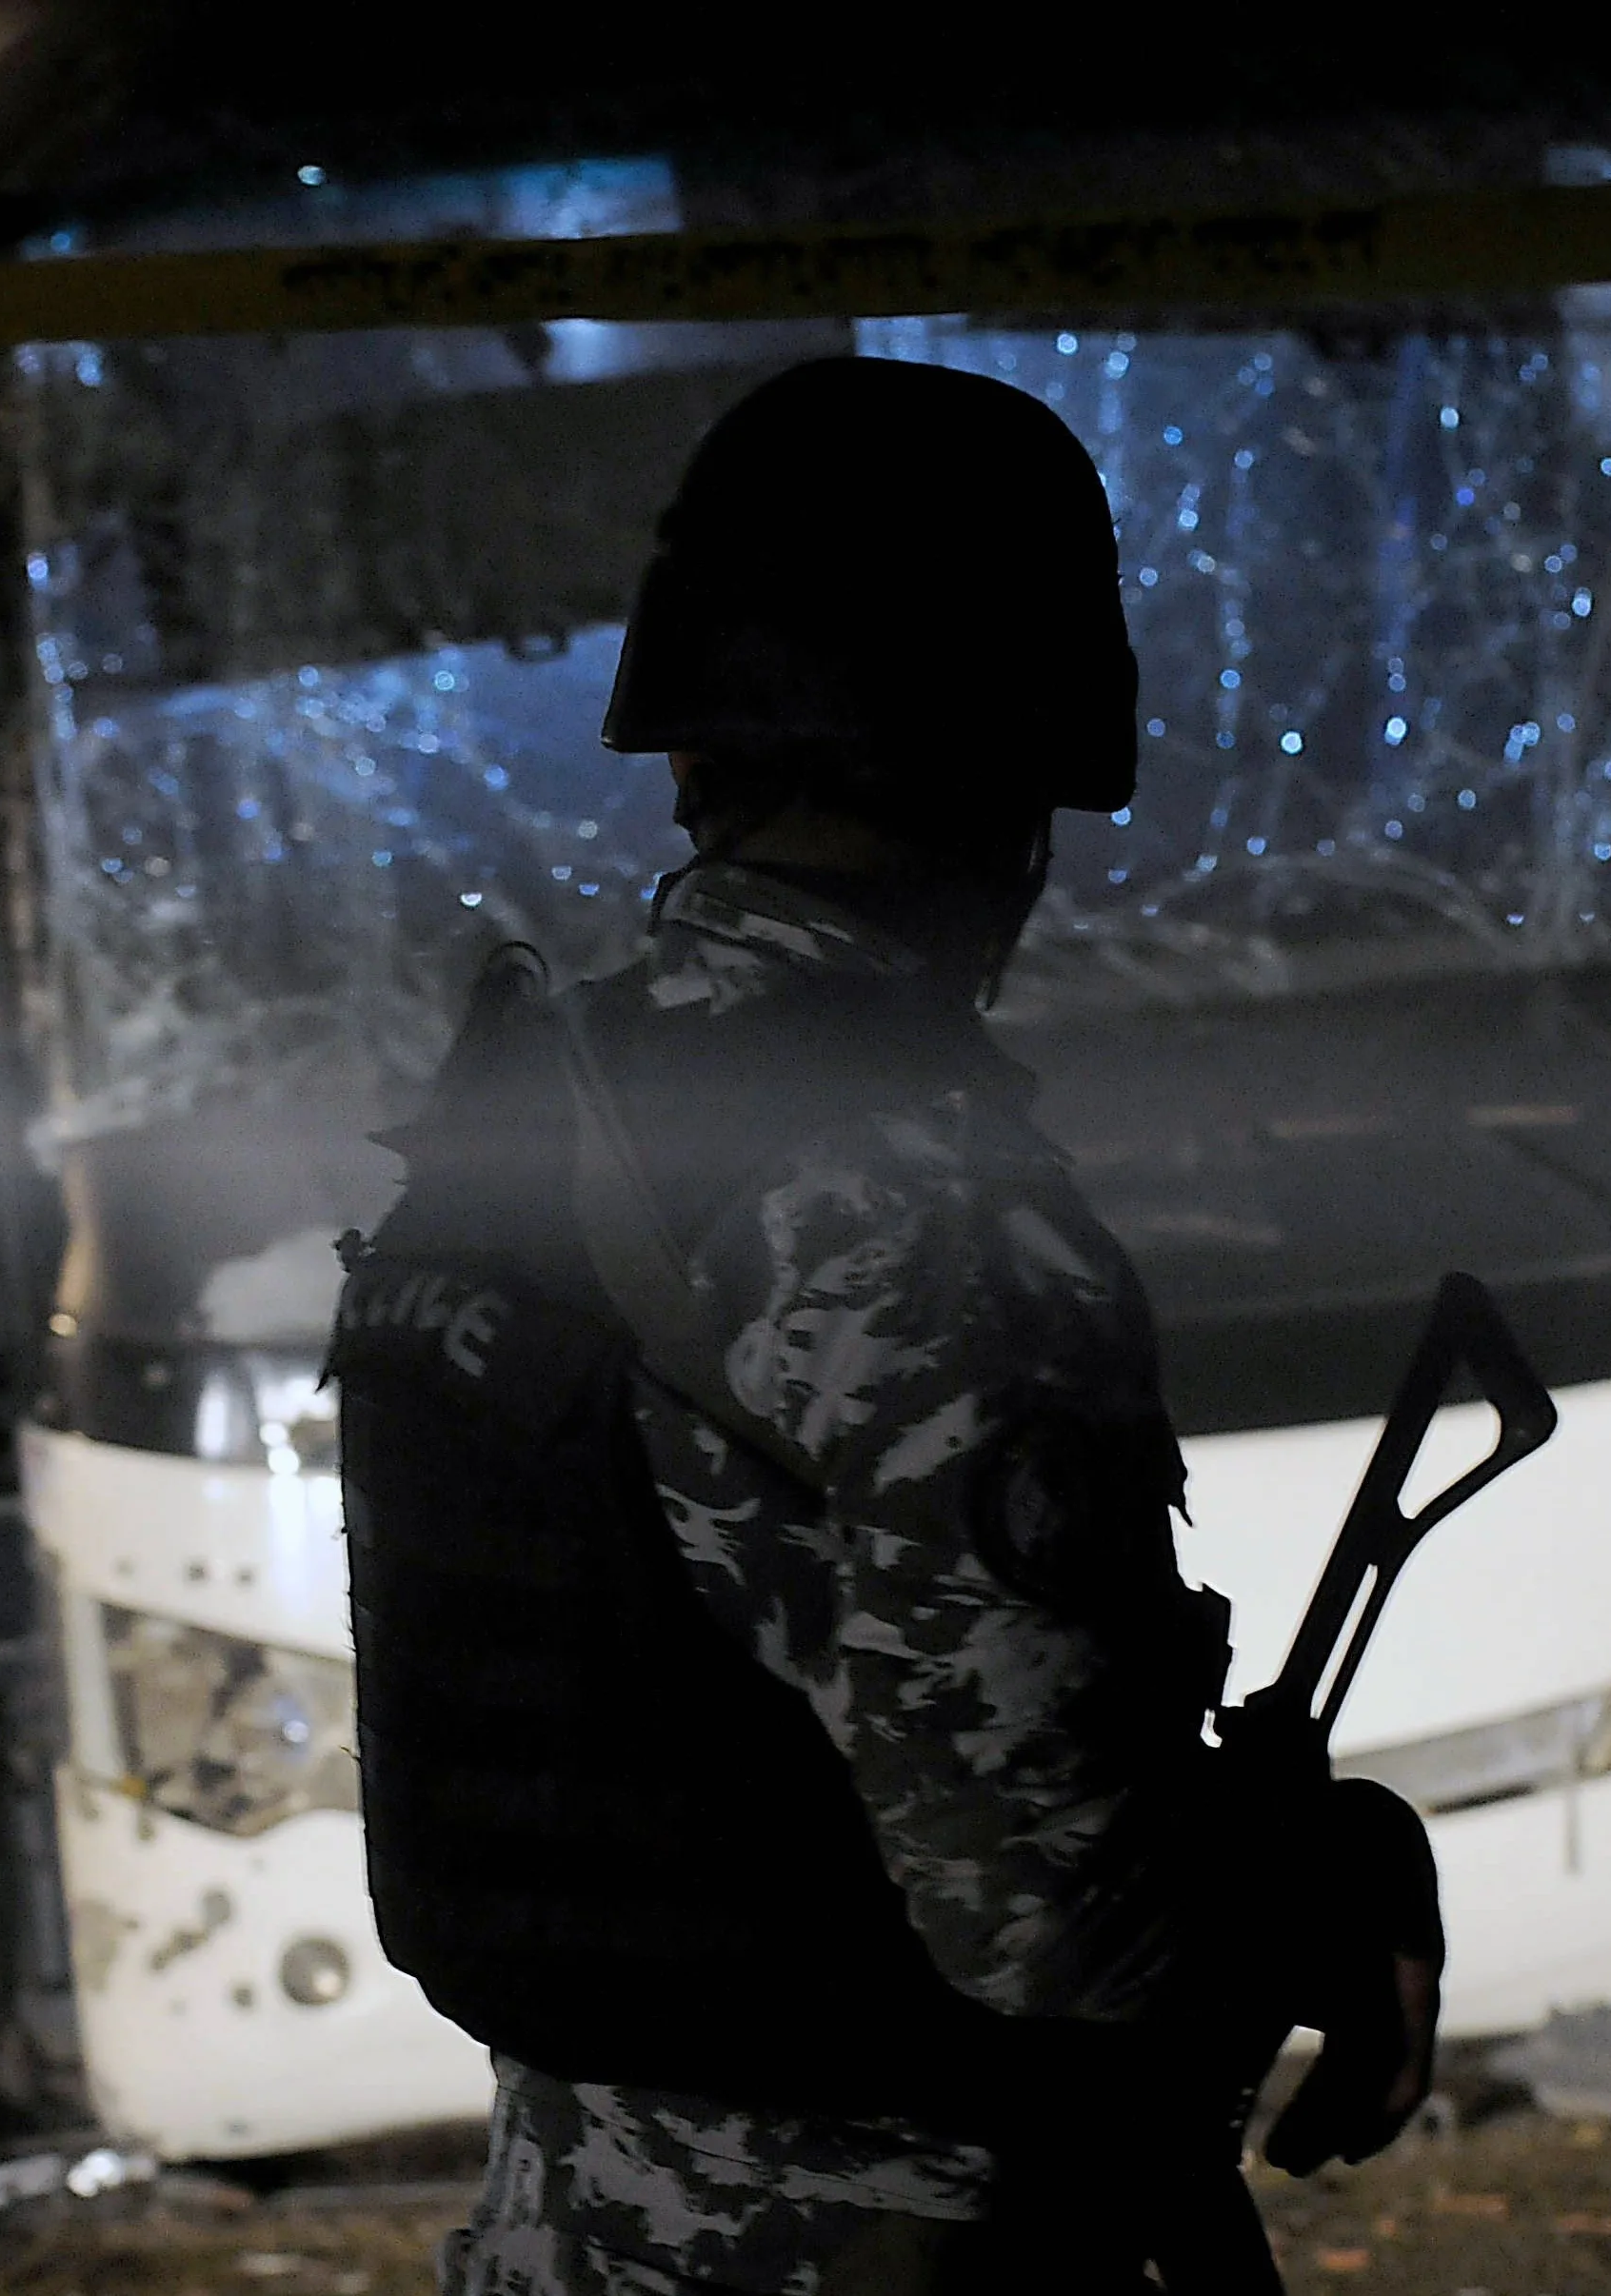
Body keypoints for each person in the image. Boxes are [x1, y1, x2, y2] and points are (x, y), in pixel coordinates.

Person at [330, 357, 1444, 2294]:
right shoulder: (915, 1211)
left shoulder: (520, 1106)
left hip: (565, 2232)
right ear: (1019, 765)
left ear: (687, 754)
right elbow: (1053, 1921)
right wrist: (1338, 1886)